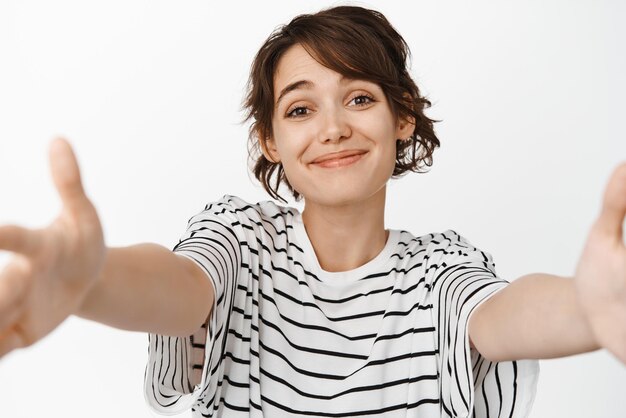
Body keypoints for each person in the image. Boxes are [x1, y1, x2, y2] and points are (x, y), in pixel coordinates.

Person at [0, 5, 624, 418]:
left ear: (402, 118)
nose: (332, 129)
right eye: (300, 109)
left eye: (358, 97)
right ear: (270, 139)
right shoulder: (240, 240)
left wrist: (589, 308)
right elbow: (178, 285)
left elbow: (502, 315)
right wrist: (92, 282)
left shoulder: (441, 269)